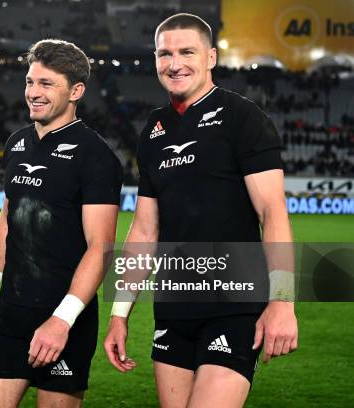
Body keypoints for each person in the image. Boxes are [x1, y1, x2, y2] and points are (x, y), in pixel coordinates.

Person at [103, 13, 298, 408]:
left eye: (186, 52)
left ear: (211, 57)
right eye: (164, 54)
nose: (174, 64)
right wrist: (120, 313)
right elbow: (144, 231)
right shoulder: (154, 131)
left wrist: (282, 301)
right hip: (173, 308)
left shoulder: (243, 118)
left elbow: (273, 212)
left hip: (234, 305)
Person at [0, 39, 123, 408]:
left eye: (46, 84)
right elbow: (8, 218)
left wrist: (62, 320)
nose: (33, 93)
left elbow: (100, 247)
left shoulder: (96, 156)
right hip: (10, 314)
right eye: (29, 82)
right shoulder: (17, 144)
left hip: (66, 319)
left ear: (76, 91)